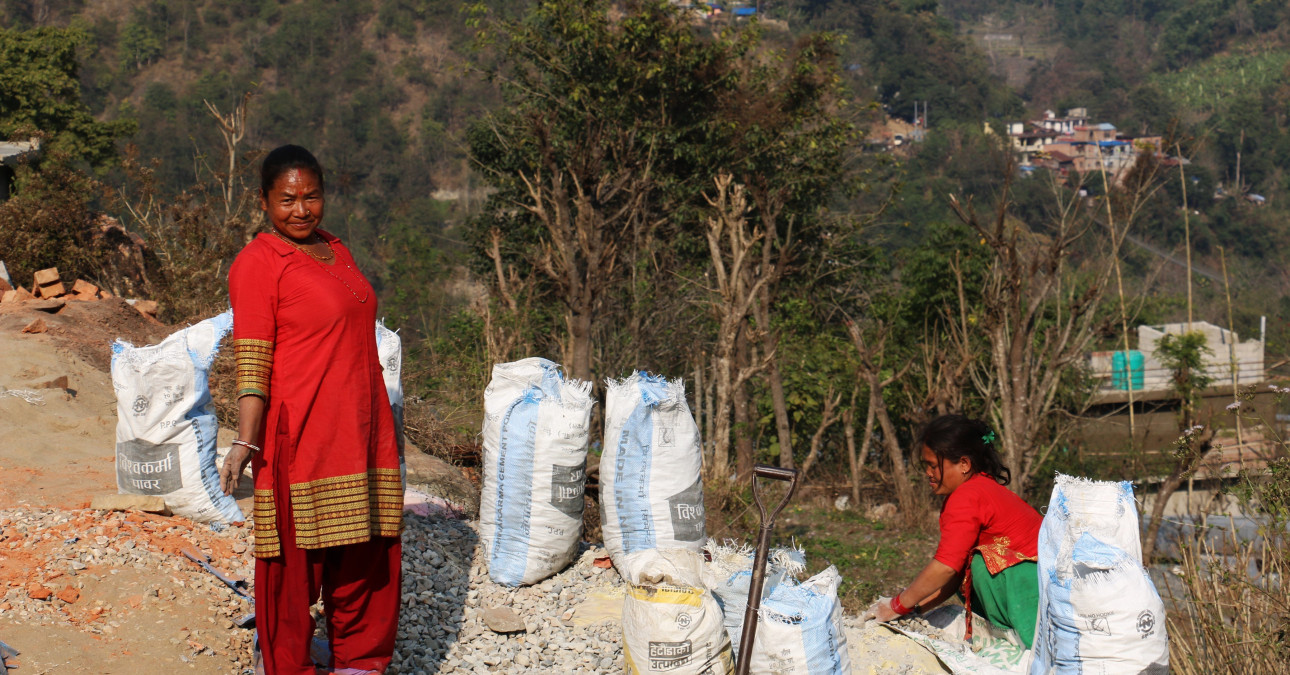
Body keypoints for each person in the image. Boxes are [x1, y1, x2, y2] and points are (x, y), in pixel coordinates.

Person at [219, 145, 403, 675]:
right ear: (263, 201)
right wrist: (246, 441)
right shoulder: (258, 264)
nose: (301, 210)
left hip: (361, 432)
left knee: (366, 556)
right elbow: (253, 361)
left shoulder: (334, 248)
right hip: (301, 437)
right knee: (293, 571)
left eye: (311, 197)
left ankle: (360, 663)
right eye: (287, 200)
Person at [860, 414, 1042, 648]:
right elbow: (953, 575)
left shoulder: (967, 496)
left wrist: (896, 605)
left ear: (964, 464)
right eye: (926, 465)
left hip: (1029, 590)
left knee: (979, 566)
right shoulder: (983, 488)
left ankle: (1022, 641)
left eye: (933, 465)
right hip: (1042, 587)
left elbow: (946, 567)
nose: (928, 472)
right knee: (971, 567)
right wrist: (913, 609)